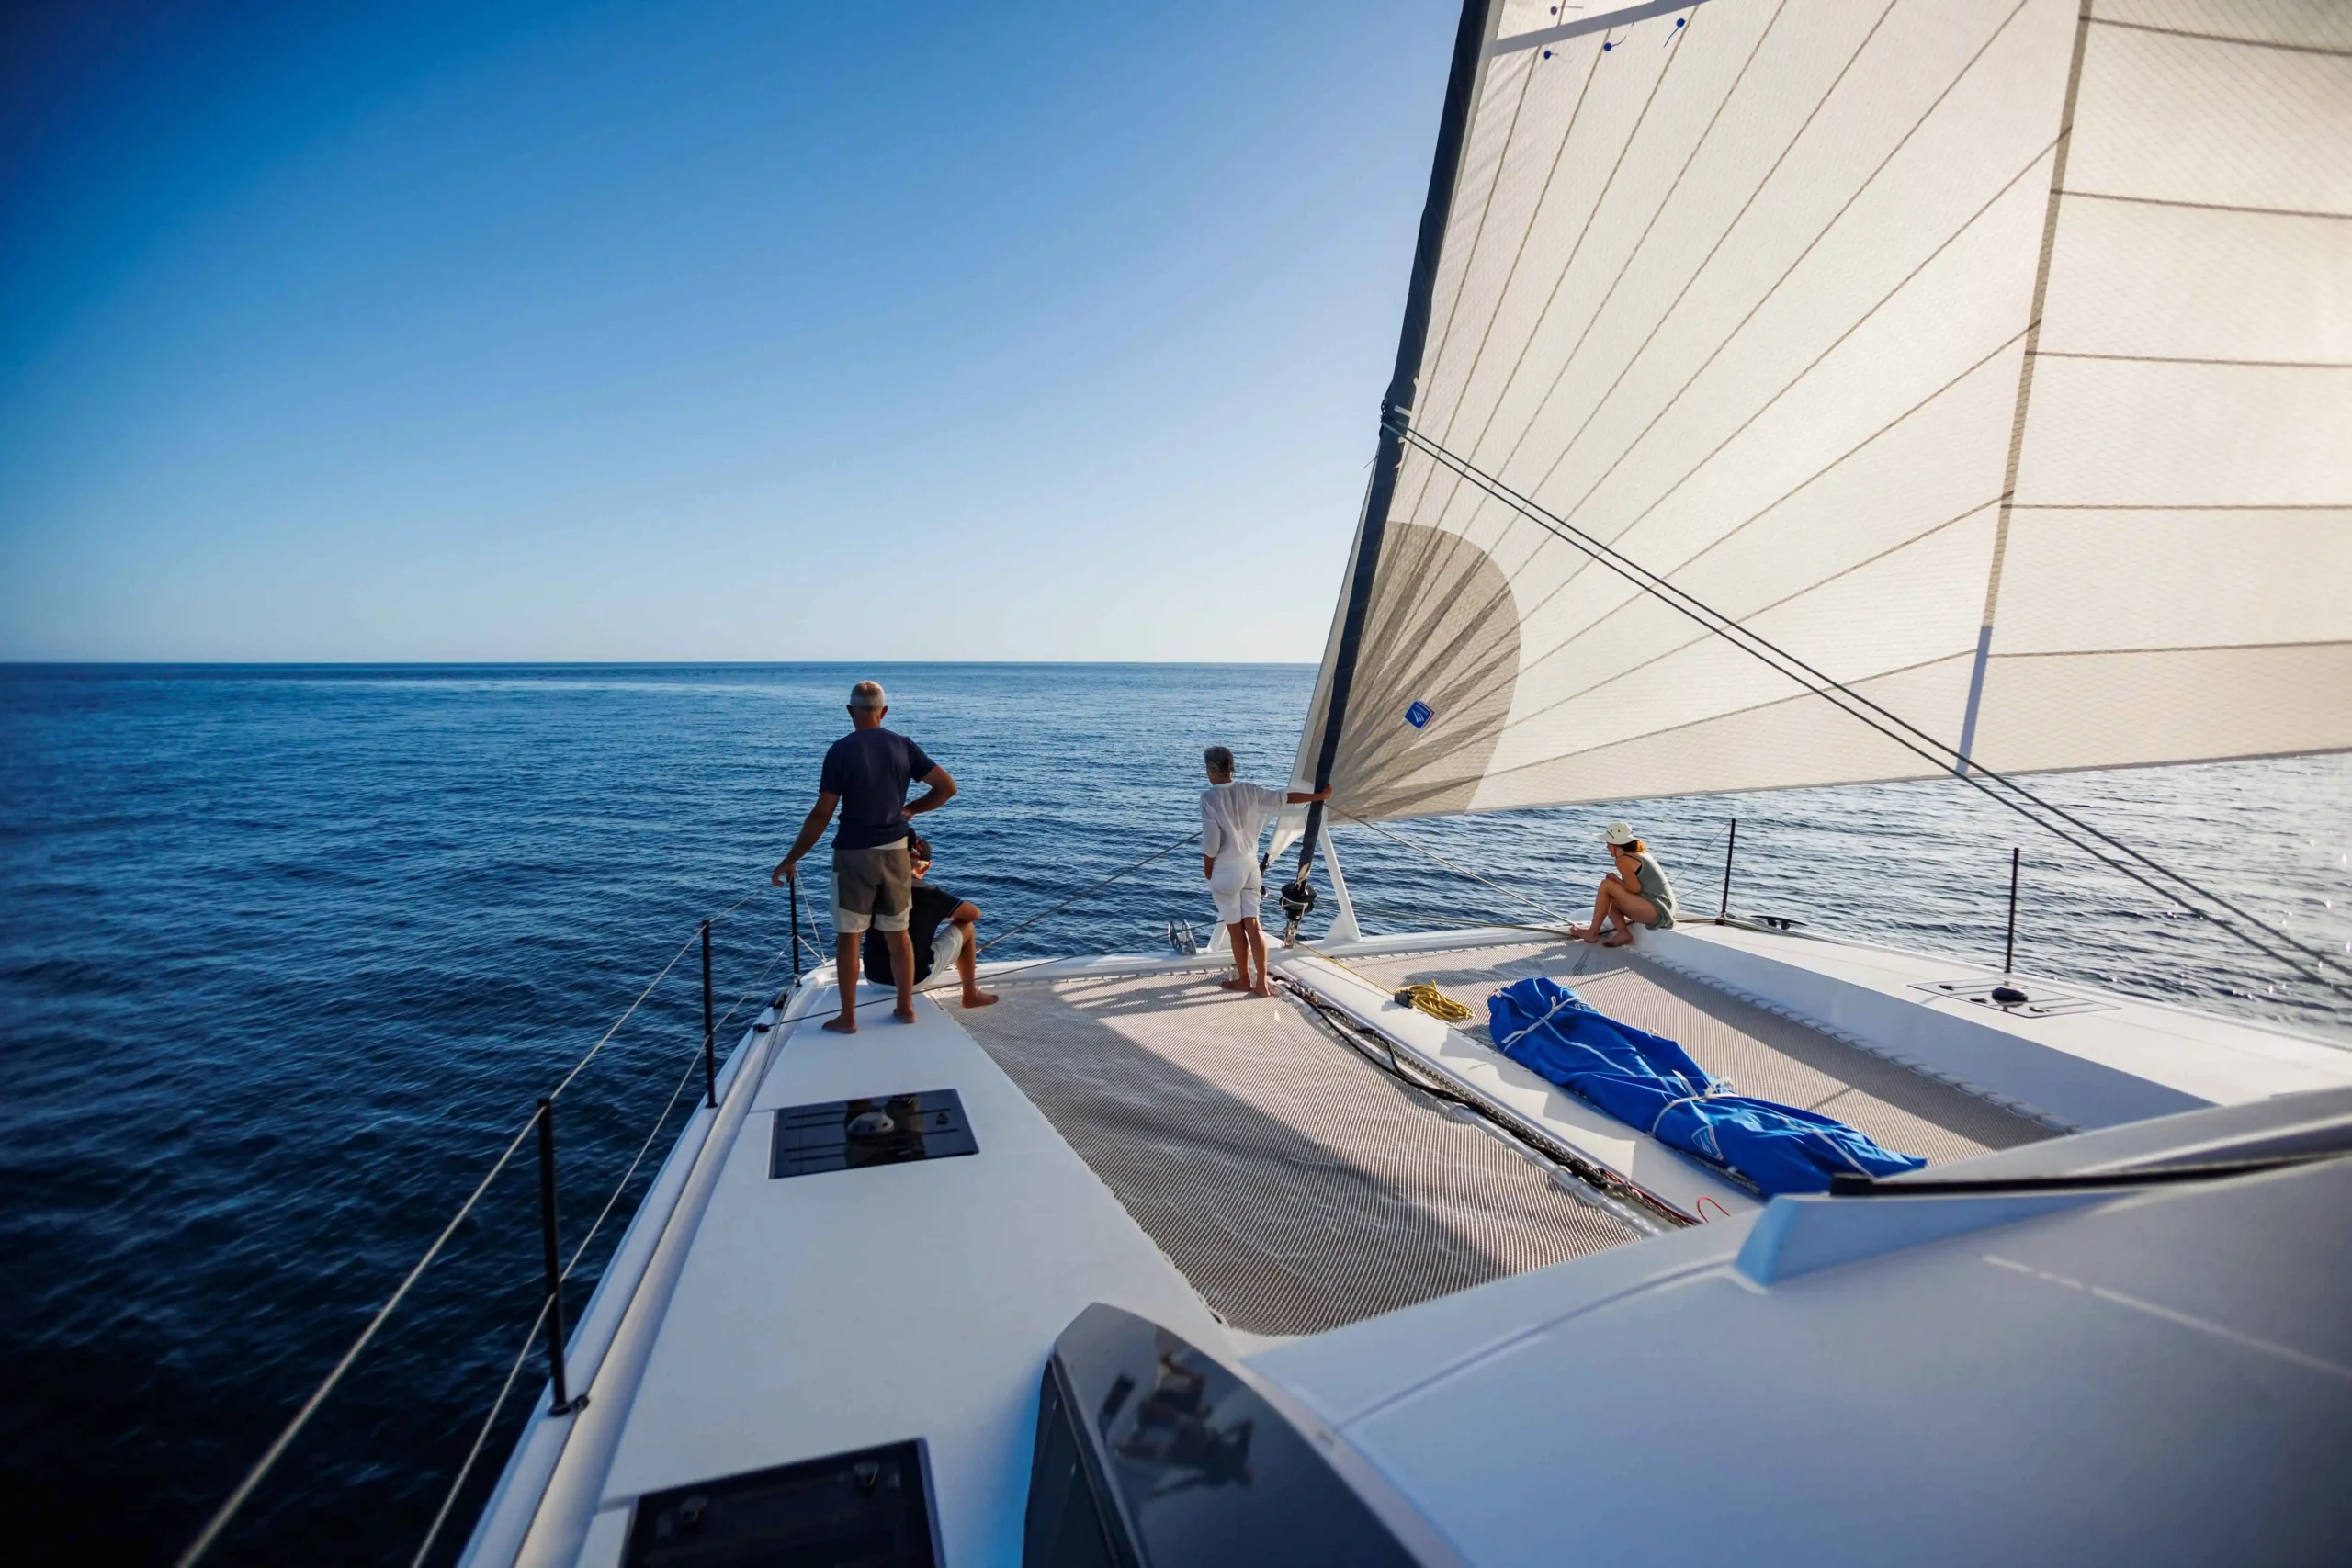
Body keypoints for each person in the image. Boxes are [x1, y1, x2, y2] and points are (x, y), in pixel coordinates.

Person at [773, 680, 956, 1032]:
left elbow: (822, 813)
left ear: (850, 711)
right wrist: (910, 810)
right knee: (898, 934)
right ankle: (905, 1008)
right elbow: (947, 788)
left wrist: (790, 858)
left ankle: (849, 1018)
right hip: (895, 854)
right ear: (883, 712)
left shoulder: (840, 751)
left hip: (854, 855)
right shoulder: (904, 746)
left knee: (849, 937)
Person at [1199, 745, 1329, 997]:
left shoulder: (1209, 798)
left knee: (1236, 930)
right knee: (1254, 926)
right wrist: (1319, 797)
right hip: (1250, 868)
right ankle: (1262, 985)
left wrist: (1208, 870)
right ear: (1231, 768)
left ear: (1212, 770)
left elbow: (1212, 843)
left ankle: (1244, 980)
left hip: (1227, 871)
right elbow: (1285, 797)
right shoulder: (1249, 790)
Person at [860, 834, 999, 1011]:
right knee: (967, 927)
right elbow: (974, 914)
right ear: (926, 868)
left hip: (873, 977)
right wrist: (940, 914)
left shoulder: (873, 889)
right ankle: (970, 995)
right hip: (914, 981)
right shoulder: (930, 894)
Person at [1571, 821, 1678, 947]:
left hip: (1656, 911)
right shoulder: (1640, 854)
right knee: (1609, 893)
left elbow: (1635, 888)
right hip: (1665, 908)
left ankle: (1592, 933)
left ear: (1616, 845)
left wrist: (1615, 879)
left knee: (1606, 885)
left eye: (1608, 844)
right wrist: (1617, 881)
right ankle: (1623, 934)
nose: (1607, 847)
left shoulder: (1623, 860)